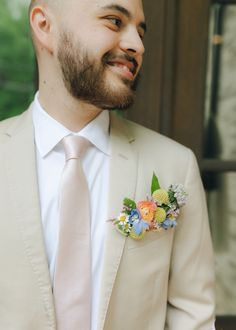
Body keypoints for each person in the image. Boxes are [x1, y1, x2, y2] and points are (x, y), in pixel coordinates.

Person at [0, 0, 215, 329]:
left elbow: (193, 316)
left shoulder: (176, 166)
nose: (138, 46)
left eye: (141, 32)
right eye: (115, 21)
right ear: (44, 26)